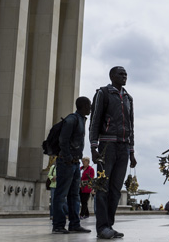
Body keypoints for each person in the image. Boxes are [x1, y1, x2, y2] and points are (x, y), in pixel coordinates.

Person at [89, 66, 137, 239]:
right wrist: (94, 147)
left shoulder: (128, 98)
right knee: (103, 187)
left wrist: (132, 151)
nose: (124, 76)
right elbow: (95, 120)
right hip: (106, 146)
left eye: (126, 74)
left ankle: (109, 225)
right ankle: (102, 227)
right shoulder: (103, 93)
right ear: (111, 76)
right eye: (121, 74)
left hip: (123, 147)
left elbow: (131, 126)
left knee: (116, 189)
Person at [52, 97, 92, 234]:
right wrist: (68, 157)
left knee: (74, 195)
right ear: (83, 106)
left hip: (75, 163)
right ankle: (58, 225)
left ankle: (75, 224)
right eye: (89, 106)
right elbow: (63, 139)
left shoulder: (80, 119)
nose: (90, 108)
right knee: (61, 194)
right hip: (66, 162)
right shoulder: (72, 119)